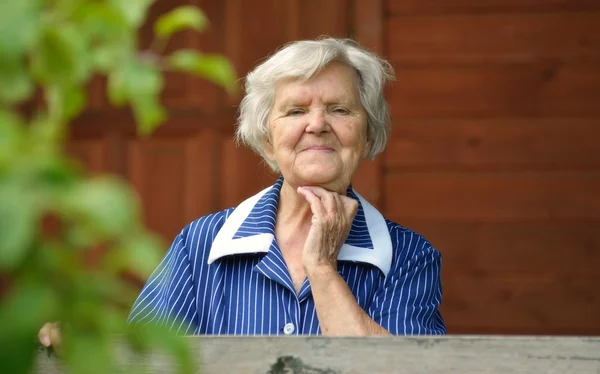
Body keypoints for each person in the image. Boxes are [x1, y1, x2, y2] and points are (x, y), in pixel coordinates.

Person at [39, 37, 445, 344]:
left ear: (367, 132)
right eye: (296, 111)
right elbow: (151, 357)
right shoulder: (201, 245)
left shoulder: (409, 257)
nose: (318, 124)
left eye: (339, 109)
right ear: (267, 140)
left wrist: (322, 271)